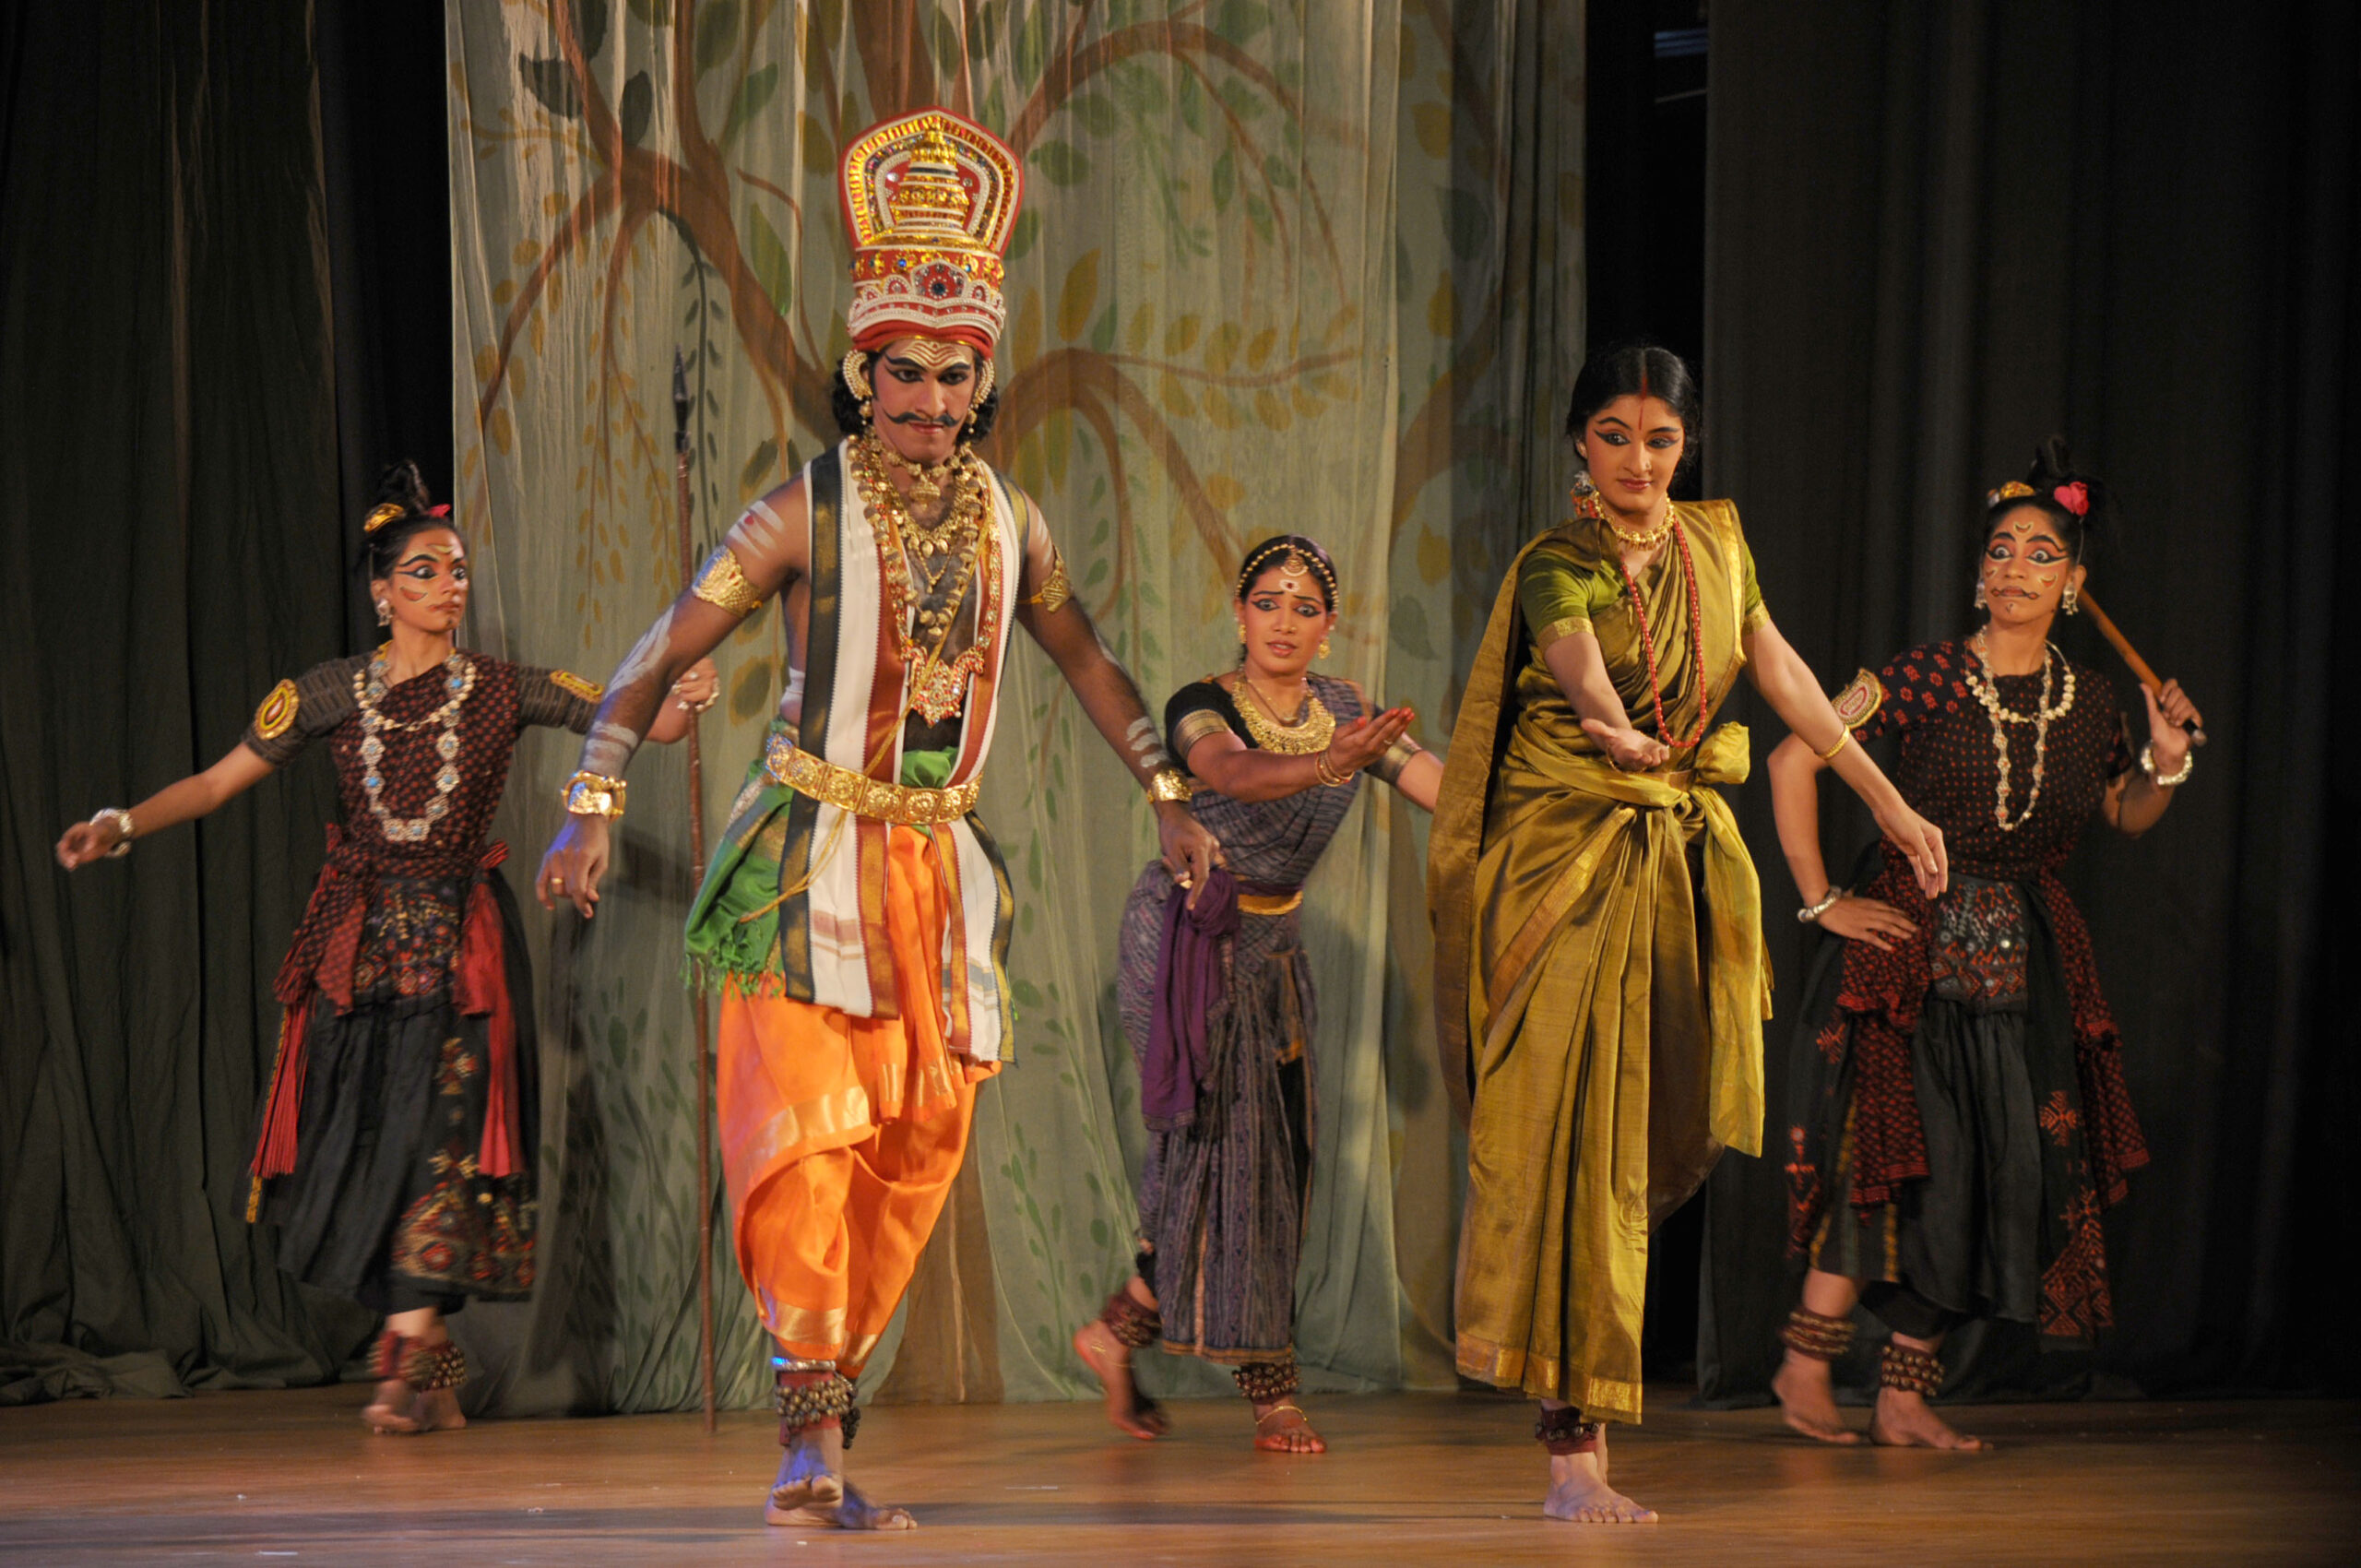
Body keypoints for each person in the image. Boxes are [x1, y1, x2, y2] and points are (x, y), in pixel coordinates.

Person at [531, 108, 1219, 1533]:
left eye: (953, 372)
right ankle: (806, 1442)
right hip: (801, 863)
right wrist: (592, 799)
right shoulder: (800, 511)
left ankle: (828, 1416)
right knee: (806, 1145)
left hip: (935, 876)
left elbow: (1089, 661)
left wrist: (1165, 791)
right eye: (902, 369)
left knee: (912, 1156)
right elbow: (661, 650)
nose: (927, 396)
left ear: (983, 378)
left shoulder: (1013, 520)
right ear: (861, 372)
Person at [53, 463, 716, 1434]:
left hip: (462, 953)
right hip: (358, 956)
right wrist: (120, 824)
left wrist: (683, 692)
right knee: (373, 1144)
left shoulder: (504, 687)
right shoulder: (324, 692)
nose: (449, 585)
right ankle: (431, 1374)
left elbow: (637, 720)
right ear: (381, 591)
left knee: (437, 1137)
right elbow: (214, 783)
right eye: (425, 570)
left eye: (457, 570)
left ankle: (404, 1365)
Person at [1427, 342, 1949, 1523]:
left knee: (1623, 1145)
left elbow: (1783, 672)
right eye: (1613, 435)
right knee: (1568, 1140)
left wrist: (1884, 798)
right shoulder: (1556, 558)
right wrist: (1606, 724)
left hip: (1668, 866)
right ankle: (1573, 1452)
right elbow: (1572, 654)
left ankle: (1582, 1441)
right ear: (1579, 441)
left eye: (1659, 439)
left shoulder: (1717, 546)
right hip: (1560, 865)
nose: (1637, 459)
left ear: (1686, 445)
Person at [1769, 441, 2199, 1450]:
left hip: (2023, 964)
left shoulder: (2093, 702)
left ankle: (1904, 1392)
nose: (2014, 568)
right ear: (1977, 571)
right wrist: (1822, 901)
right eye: (2000, 549)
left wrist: (2167, 764)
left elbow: (2124, 813)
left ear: (2074, 582)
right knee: (1897, 1154)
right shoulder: (1916, 677)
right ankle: (1804, 1360)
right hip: (1906, 953)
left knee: (1995, 1173)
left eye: (2041, 554)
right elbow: (1793, 756)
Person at [1074, 535, 1443, 1455]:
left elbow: (1440, 786)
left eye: (1304, 607)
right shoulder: (1203, 706)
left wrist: (1545, 805)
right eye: (1267, 603)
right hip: (1188, 941)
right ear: (1239, 615)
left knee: (1274, 1167)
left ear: (1329, 626)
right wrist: (1330, 765)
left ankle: (1117, 1331)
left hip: (1274, 951)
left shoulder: (1348, 713)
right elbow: (1229, 773)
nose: (1284, 621)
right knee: (1219, 1159)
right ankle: (1271, 1396)